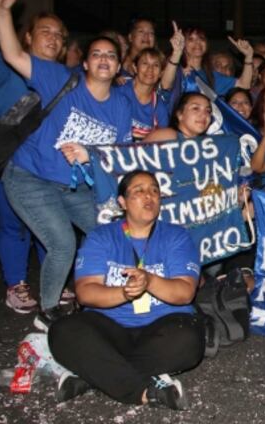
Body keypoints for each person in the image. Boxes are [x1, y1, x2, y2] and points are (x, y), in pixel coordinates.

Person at [0, 0, 133, 329]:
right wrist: (2, 11)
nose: (104, 59)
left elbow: (116, 154)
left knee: (110, 232)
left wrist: (91, 152)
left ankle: (109, 296)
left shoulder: (121, 105)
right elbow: (12, 53)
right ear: (85, 62)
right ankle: (48, 312)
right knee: (62, 244)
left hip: (74, 188)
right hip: (30, 179)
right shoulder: (61, 79)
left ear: (118, 67)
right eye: (97, 54)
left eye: (111, 56)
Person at [48, 170, 204, 409]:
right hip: (111, 329)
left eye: (154, 190)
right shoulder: (101, 237)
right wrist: (123, 293)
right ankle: (146, 392)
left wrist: (149, 281)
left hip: (162, 327)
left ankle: (93, 376)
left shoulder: (176, 236)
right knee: (62, 331)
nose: (149, 196)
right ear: (122, 202)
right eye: (139, 191)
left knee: (188, 340)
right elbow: (86, 292)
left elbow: (184, 293)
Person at [0, 0, 64, 313]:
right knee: (14, 222)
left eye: (59, 35)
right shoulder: (5, 66)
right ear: (27, 38)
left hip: (48, 162)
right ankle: (16, 283)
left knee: (50, 223)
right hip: (10, 160)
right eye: (45, 32)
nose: (53, 38)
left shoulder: (65, 76)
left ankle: (55, 278)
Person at [115, 47, 171, 141]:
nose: (150, 69)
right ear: (135, 67)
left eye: (156, 65)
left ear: (161, 73)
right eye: (145, 63)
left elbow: (163, 144)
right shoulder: (118, 90)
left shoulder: (159, 107)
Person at [143, 92, 212, 143]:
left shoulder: (209, 146)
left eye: (208, 111)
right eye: (195, 108)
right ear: (180, 115)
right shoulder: (166, 136)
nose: (204, 115)